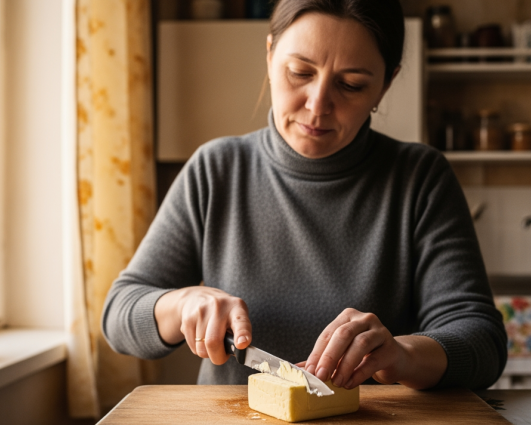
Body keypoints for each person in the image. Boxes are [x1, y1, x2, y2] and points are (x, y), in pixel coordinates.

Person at [102, 0, 507, 391]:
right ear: (269, 55)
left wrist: (402, 354)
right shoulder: (216, 169)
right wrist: (181, 305)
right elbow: (119, 315)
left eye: (351, 85)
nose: (317, 106)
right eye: (299, 72)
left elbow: (481, 340)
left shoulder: (420, 179)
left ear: (386, 85)